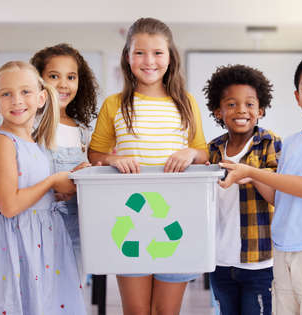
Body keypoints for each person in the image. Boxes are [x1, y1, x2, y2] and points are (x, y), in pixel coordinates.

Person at [88, 17, 208, 314]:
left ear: (170, 58)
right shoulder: (114, 104)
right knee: (137, 311)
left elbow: (203, 153)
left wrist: (191, 153)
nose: (149, 61)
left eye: (157, 53)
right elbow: (95, 154)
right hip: (129, 218)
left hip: (177, 216)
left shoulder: (186, 103)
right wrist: (114, 159)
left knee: (166, 312)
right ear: (128, 58)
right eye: (139, 52)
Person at [219, 52, 302, 315]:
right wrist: (252, 178)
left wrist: (255, 172)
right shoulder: (292, 142)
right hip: (283, 250)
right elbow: (279, 197)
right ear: (297, 97)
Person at [0, 61, 87, 314]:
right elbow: (10, 206)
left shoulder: (34, 144)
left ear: (41, 98)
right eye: (6, 94)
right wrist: (52, 181)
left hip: (42, 240)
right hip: (16, 243)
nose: (17, 100)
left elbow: (38, 194)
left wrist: (70, 179)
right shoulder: (2, 142)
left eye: (25, 92)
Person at [204, 64, 282, 315]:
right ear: (218, 111)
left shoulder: (270, 143)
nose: (241, 110)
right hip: (219, 259)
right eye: (231, 104)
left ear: (260, 110)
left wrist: (250, 174)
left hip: (259, 261)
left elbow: (279, 195)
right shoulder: (212, 149)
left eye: (249, 104)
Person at [31, 43, 98, 274]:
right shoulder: (31, 125)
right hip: (41, 226)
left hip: (78, 227)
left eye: (71, 77)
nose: (63, 84)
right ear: (38, 80)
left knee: (72, 292)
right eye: (53, 76)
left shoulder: (82, 130)